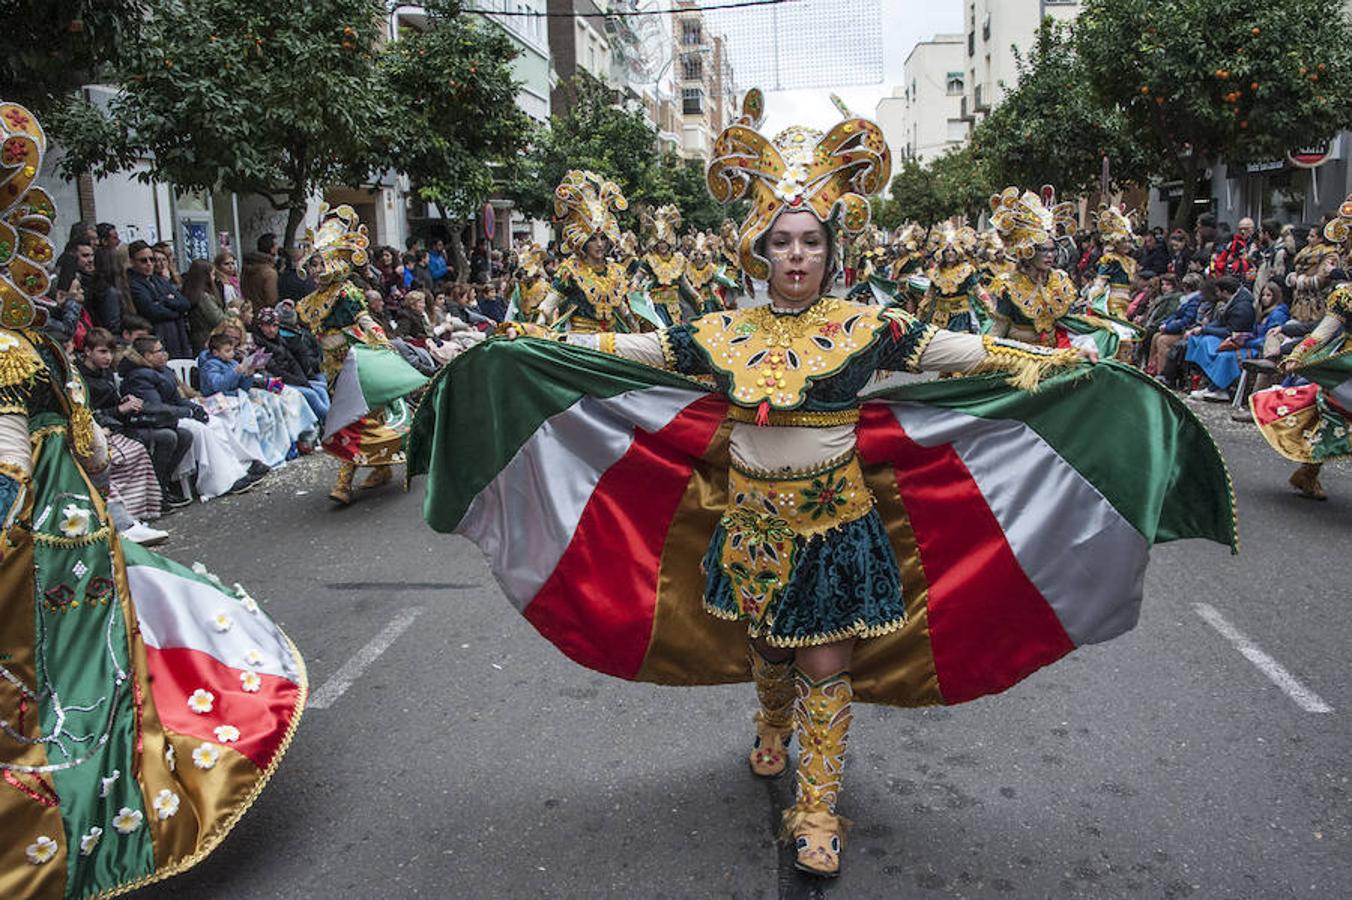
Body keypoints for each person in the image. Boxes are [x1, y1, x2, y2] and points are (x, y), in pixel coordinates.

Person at [411, 93, 1234, 879]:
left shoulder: (870, 328)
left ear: (831, 253)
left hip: (837, 524)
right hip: (750, 525)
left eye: (810, 241)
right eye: (782, 242)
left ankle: (815, 812)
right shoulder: (719, 331)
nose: (797, 255)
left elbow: (970, 353)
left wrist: (1063, 362)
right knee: (767, 644)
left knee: (824, 665)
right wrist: (527, 343)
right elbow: (633, 353)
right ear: (759, 252)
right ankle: (769, 719)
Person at [0, 98, 304, 899]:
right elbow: (73, 456)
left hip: (41, 549)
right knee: (77, 691)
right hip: (50, 554)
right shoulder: (20, 352)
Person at [296, 204, 426, 504]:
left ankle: (344, 482)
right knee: (358, 419)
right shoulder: (313, 299)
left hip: (357, 364)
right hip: (331, 367)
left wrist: (382, 342)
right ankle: (381, 466)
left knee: (352, 419)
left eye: (321, 263)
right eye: (314, 264)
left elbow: (364, 320)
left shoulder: (346, 293)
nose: (317, 270)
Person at [986, 187, 1122, 358]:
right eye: (1044, 250)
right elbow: (1000, 327)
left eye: (1052, 250)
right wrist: (986, 352)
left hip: (1055, 353)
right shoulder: (1010, 286)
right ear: (1029, 252)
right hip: (1020, 356)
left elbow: (1067, 321)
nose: (1050, 255)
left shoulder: (1060, 280)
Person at [534, 171, 636, 333]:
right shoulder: (571, 270)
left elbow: (621, 307)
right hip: (581, 344)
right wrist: (537, 328)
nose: (600, 244)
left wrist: (634, 324)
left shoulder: (615, 270)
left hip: (614, 339)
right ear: (582, 242)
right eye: (593, 240)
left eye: (603, 238)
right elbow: (548, 305)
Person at [1184, 275, 1257, 401]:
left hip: (1242, 342)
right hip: (1231, 338)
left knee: (1220, 353)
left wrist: (1204, 329)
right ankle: (1210, 383)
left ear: (1225, 292)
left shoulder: (1242, 307)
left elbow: (1232, 331)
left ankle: (1216, 388)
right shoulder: (1232, 302)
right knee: (1198, 340)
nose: (1216, 293)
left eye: (1218, 291)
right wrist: (1201, 329)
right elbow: (1220, 322)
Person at [127, 239, 192, 358]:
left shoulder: (158, 279)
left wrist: (164, 301)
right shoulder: (132, 283)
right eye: (143, 260)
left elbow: (185, 303)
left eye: (151, 259)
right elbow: (152, 311)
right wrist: (176, 310)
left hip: (176, 335)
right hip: (156, 336)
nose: (149, 264)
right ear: (132, 262)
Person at [918, 223, 984, 333]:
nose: (950, 253)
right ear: (942, 253)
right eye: (947, 251)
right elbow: (930, 294)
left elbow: (978, 290)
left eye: (953, 250)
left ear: (958, 253)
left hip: (960, 315)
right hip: (939, 315)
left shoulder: (966, 270)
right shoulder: (936, 272)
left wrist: (989, 306)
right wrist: (921, 311)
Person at [633, 205, 688, 326]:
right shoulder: (650, 259)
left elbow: (684, 282)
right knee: (662, 332)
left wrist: (696, 297)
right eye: (659, 242)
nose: (662, 245)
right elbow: (638, 276)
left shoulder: (678, 259)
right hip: (656, 305)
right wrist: (634, 285)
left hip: (675, 305)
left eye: (664, 242)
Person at [183, 258, 229, 351]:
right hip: (207, 337)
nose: (214, 278)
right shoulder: (203, 297)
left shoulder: (190, 292)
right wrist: (232, 313)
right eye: (212, 275)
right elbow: (218, 318)